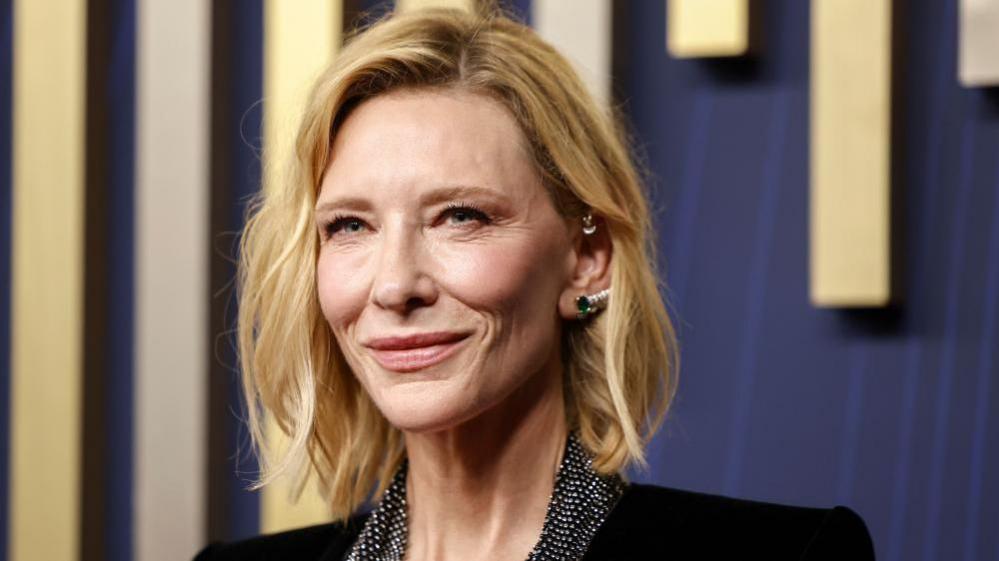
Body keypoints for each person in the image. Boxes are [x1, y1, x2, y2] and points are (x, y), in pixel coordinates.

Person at [195, 6, 875, 561]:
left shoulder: (784, 558)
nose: (394, 284)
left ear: (588, 259)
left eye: (460, 216)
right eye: (349, 226)